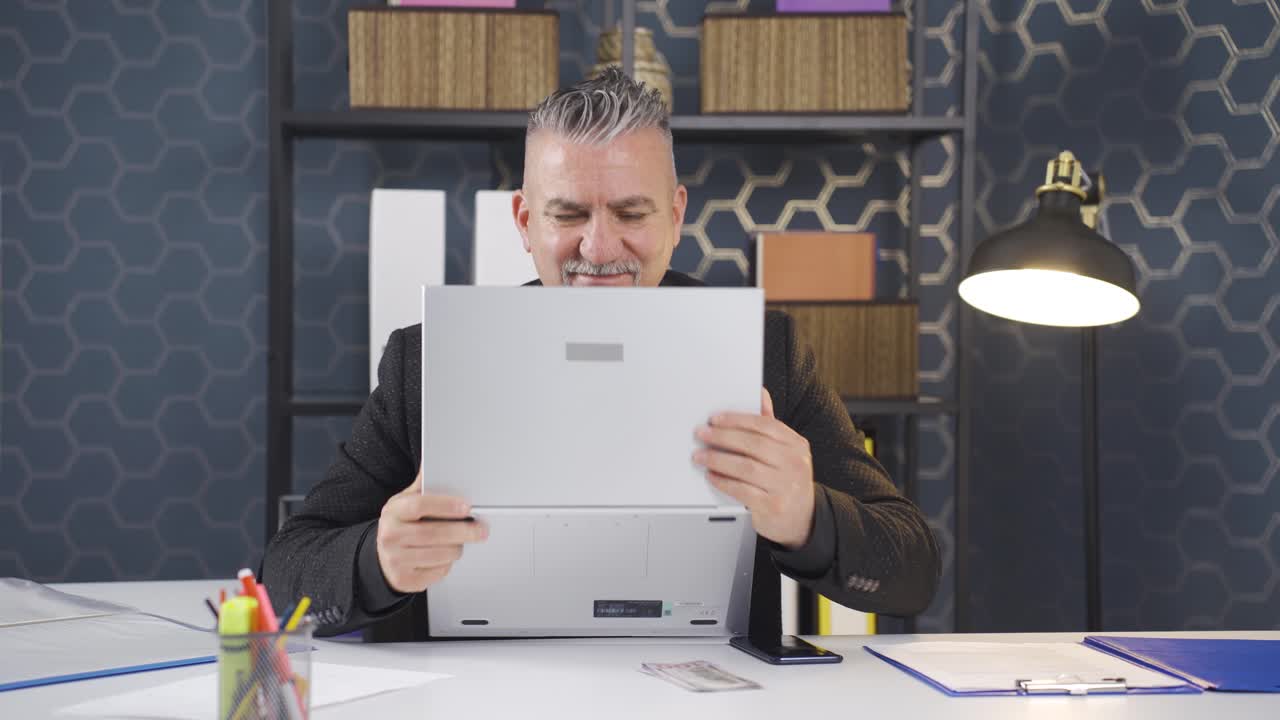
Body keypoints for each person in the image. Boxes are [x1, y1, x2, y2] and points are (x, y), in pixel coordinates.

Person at [262, 67, 940, 640]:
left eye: (631, 213)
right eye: (569, 215)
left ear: (675, 216)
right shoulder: (425, 358)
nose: (599, 248)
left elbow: (912, 571)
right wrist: (378, 559)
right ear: (526, 222)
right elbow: (286, 570)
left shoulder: (767, 350)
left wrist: (808, 517)